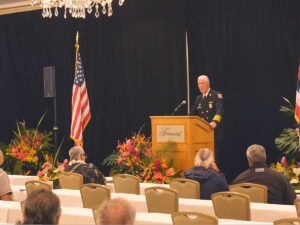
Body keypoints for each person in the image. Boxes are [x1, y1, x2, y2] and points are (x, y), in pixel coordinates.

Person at [231, 144, 296, 205]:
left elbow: (234, 204)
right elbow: (292, 201)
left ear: (249, 160)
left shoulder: (239, 180)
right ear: (265, 158)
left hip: (249, 216)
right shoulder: (281, 178)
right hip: (276, 216)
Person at [190, 75, 224, 163]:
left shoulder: (216, 95)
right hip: (201, 134)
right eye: (199, 84)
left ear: (208, 84)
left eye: (202, 83)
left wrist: (214, 122)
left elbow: (219, 110)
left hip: (213, 132)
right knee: (203, 159)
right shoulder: (198, 98)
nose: (200, 86)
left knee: (213, 158)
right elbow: (192, 114)